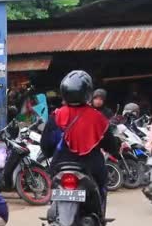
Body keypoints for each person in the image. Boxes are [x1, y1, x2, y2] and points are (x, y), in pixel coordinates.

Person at [41, 71, 119, 214]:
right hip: (91, 166)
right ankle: (99, 213)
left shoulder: (56, 116)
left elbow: (46, 146)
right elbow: (110, 144)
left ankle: (54, 210)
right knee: (102, 184)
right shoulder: (97, 118)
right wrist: (115, 151)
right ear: (88, 92)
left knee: (54, 186)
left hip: (59, 165)